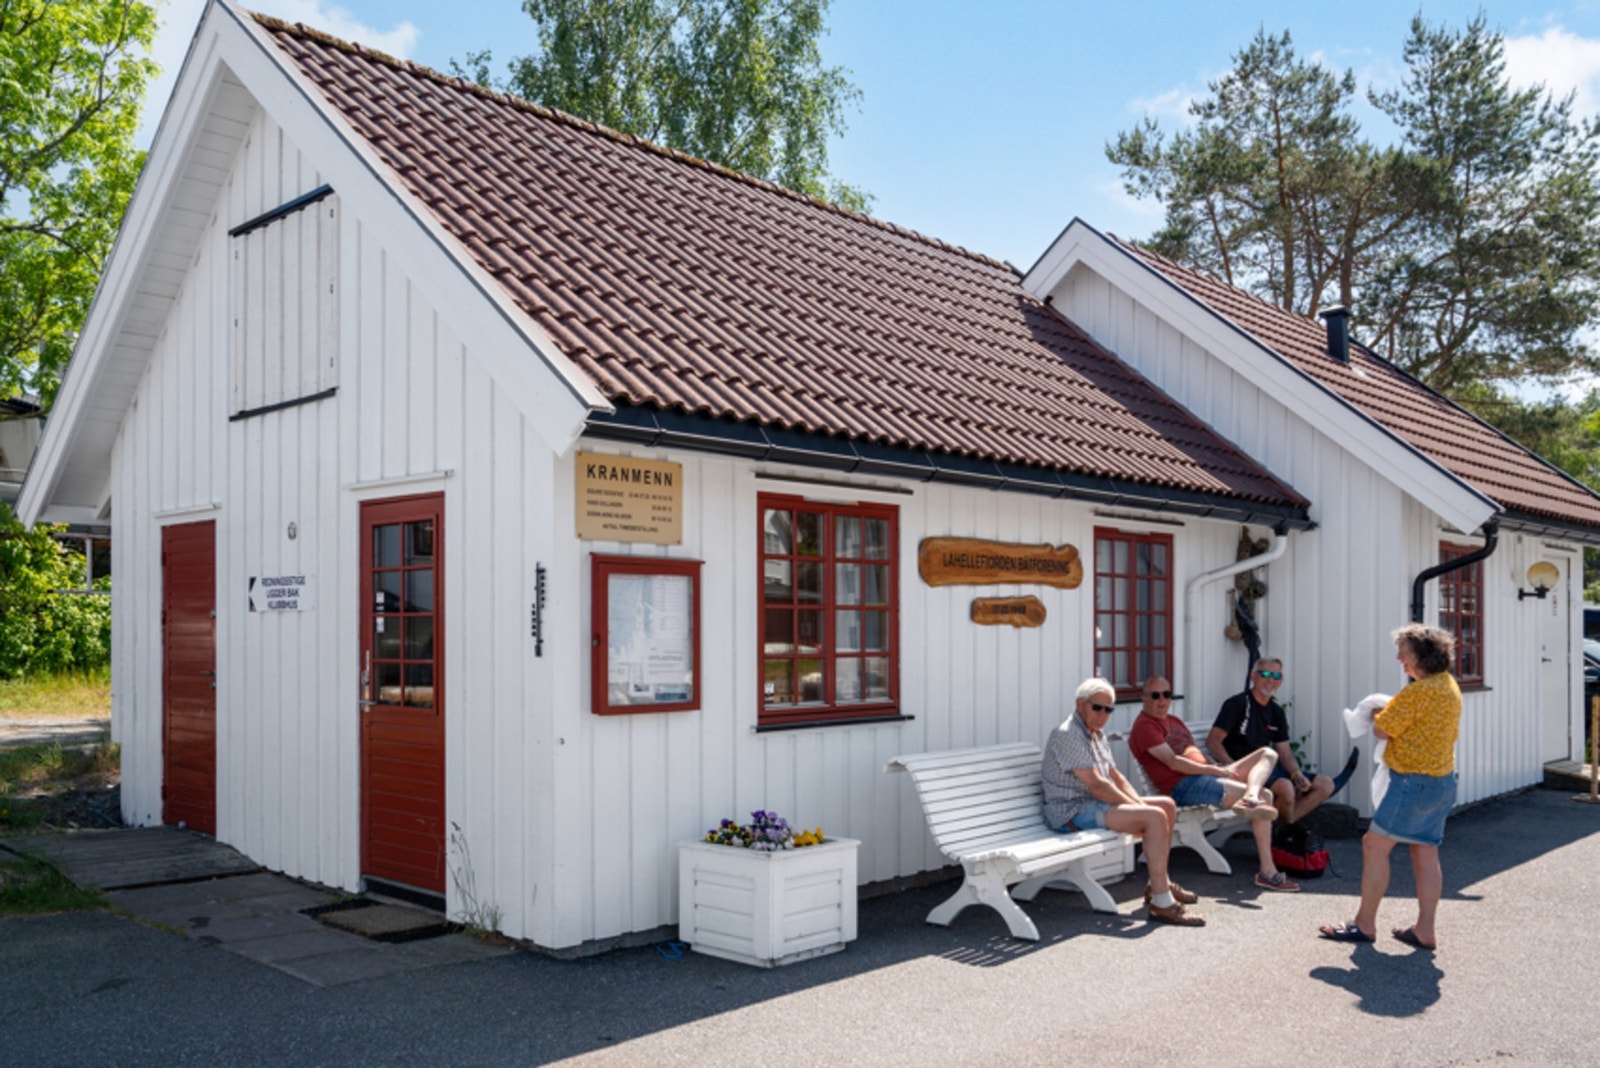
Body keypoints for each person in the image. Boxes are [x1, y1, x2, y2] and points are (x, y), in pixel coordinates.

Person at [1319, 624, 1461, 950]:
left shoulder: (1417, 692)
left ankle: (1365, 924)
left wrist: (1380, 709)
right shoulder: (1448, 686)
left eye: (1404, 653)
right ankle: (1425, 929)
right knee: (1425, 851)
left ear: (1422, 656)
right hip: (1442, 781)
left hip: (1412, 782)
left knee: (1374, 845)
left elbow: (1382, 730)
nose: (1399, 658)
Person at [1041, 677, 1206, 927]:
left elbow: (1115, 776)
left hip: (1093, 805)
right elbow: (1098, 785)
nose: (1102, 715)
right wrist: (1140, 809)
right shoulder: (1068, 734)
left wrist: (1138, 802)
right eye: (1097, 707)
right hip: (1071, 813)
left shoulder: (1096, 734)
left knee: (1166, 806)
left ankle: (1157, 883)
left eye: (1108, 710)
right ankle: (1162, 903)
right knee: (1154, 816)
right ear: (1079, 704)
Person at [1128, 676, 1301, 892]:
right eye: (1155, 695)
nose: (1162, 700)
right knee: (1266, 797)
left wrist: (1219, 770)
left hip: (1206, 776)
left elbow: (1194, 753)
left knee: (1268, 753)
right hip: (1182, 787)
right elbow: (1174, 762)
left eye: (1167, 694)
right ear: (1143, 698)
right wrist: (1215, 770)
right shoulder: (1145, 727)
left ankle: (1250, 795)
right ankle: (1268, 871)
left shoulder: (1174, 721)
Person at [1208, 657, 1360, 826]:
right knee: (1286, 788)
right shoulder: (1237, 704)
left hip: (1269, 769)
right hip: (1245, 772)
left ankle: (1286, 824)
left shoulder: (1276, 712)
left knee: (1325, 784)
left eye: (1276, 676)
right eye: (1265, 674)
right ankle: (1283, 831)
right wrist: (1233, 770)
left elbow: (1285, 754)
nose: (1271, 680)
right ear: (1253, 677)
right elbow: (1213, 742)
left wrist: (1297, 774)